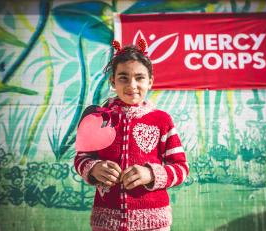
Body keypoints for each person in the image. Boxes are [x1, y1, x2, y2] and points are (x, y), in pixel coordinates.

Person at [74, 39, 189, 231]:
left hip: (154, 224)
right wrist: (93, 168)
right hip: (106, 223)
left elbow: (181, 168)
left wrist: (151, 174)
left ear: (150, 81)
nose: (132, 85)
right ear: (113, 81)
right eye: (123, 77)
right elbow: (80, 158)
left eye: (139, 77)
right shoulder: (98, 118)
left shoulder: (162, 120)